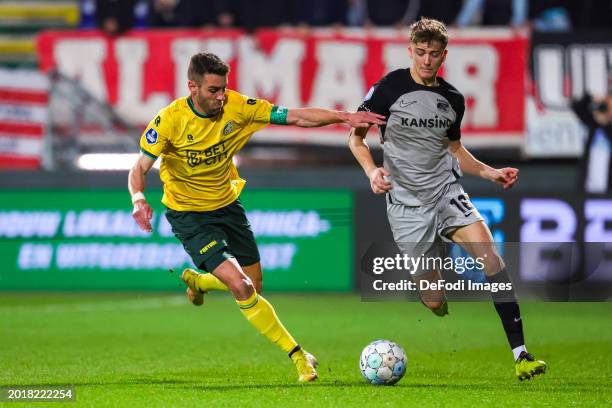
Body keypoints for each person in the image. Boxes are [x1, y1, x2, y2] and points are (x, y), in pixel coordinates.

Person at [128, 52, 384, 383]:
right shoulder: (168, 121)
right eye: (212, 90)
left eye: (224, 89)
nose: (221, 97)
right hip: (188, 214)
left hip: (227, 206)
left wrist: (342, 116)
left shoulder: (240, 107)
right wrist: (138, 199)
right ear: (192, 86)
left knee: (255, 285)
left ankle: (198, 280)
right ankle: (298, 356)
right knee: (242, 286)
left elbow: (296, 117)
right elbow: (139, 168)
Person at [348, 18, 547, 381]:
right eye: (420, 53)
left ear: (444, 55)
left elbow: (455, 149)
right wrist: (372, 171)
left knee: (492, 259)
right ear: (410, 51)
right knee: (435, 300)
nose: (426, 60)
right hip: (407, 205)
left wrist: (490, 172)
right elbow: (356, 138)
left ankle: (521, 354)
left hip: (447, 193)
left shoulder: (453, 99)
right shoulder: (387, 89)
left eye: (434, 54)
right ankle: (437, 295)